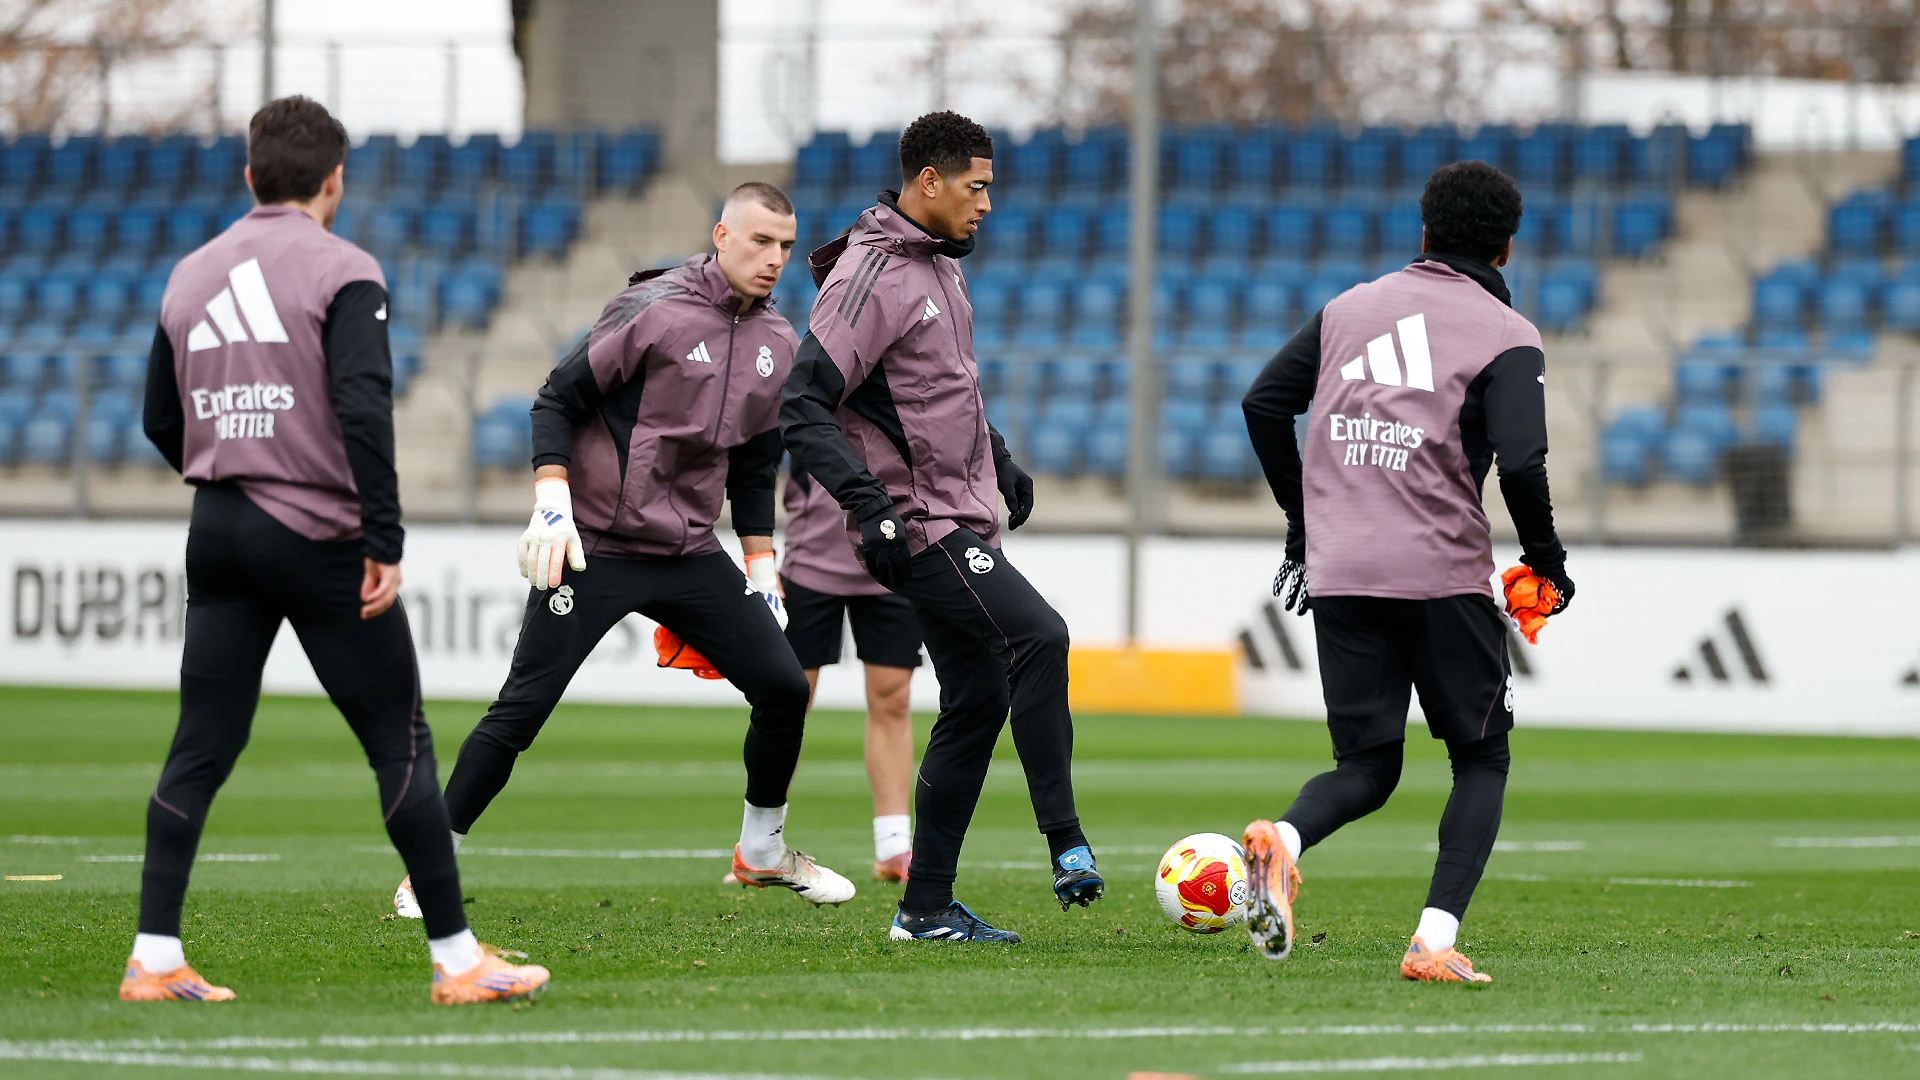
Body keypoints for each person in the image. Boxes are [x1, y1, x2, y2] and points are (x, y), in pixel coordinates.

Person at [132, 95, 548, 1004]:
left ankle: (153, 957)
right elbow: (362, 405)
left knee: (200, 745)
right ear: (335, 180)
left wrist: (228, 469)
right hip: (315, 532)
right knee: (399, 742)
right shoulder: (343, 267)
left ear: (250, 176)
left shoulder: (188, 273)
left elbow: (160, 418)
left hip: (218, 528)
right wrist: (381, 536)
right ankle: (456, 960)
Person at [392, 181, 855, 918]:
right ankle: (428, 871)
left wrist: (762, 565)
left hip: (688, 550)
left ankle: (762, 851)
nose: (775, 258)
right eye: (761, 241)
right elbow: (556, 398)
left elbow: (753, 463)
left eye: (786, 247)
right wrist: (552, 501)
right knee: (522, 709)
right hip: (597, 545)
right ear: (722, 236)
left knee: (783, 687)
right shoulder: (652, 308)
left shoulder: (777, 341)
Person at [1237, 160, 1575, 984]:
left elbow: (1262, 402)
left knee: (1366, 766)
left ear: (1423, 233)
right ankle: (1432, 941)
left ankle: (1284, 842)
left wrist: (1304, 521)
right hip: (1439, 573)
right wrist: (1547, 563)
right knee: (1482, 758)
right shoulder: (1508, 333)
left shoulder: (1347, 309)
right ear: (1506, 247)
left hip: (1343, 570)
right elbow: (1523, 465)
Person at [781, 111, 1100, 945]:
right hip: (918, 527)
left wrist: (1000, 455)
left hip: (959, 516)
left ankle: (923, 909)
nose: (987, 203)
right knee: (1041, 636)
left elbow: (936, 393)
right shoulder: (871, 273)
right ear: (930, 181)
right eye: (977, 186)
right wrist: (868, 506)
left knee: (978, 698)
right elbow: (803, 403)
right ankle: (1066, 842)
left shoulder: (941, 267)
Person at [781, 464, 923, 883]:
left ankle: (893, 847)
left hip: (893, 562)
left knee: (893, 699)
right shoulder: (803, 414)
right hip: (808, 563)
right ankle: (760, 844)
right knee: (788, 702)